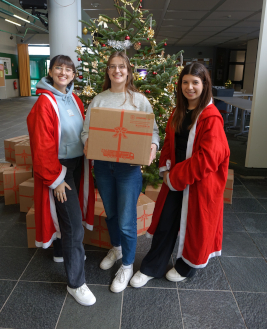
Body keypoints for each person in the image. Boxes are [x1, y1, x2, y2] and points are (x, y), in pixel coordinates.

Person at [130, 62, 230, 288]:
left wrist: (175, 177)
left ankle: (188, 266)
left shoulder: (211, 118)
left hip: (199, 184)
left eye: (195, 82)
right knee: (166, 222)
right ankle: (151, 267)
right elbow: (169, 144)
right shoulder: (179, 111)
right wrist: (166, 169)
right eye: (185, 82)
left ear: (205, 85)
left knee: (196, 226)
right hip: (175, 178)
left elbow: (208, 159)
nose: (189, 87)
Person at [82, 51, 159, 293]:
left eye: (122, 67)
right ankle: (116, 248)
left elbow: (153, 130)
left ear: (128, 71)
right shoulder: (99, 100)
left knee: (127, 220)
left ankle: (127, 264)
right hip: (104, 166)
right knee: (112, 214)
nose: (117, 71)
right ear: (107, 71)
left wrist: (153, 147)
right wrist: (87, 142)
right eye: (112, 67)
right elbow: (86, 131)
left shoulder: (139, 100)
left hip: (129, 169)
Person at [27, 55, 96, 306]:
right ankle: (76, 283)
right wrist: (55, 180)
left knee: (67, 217)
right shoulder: (44, 103)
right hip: (59, 169)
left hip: (77, 165)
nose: (63, 72)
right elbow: (41, 146)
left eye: (68, 69)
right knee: (73, 226)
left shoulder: (75, 98)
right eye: (59, 68)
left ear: (74, 74)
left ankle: (60, 252)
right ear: (51, 71)